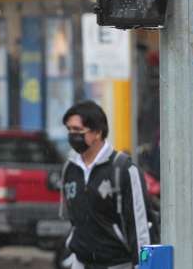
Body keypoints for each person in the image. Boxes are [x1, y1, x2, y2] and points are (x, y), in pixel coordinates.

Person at [60, 101, 155, 269]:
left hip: (117, 264)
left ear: (97, 132)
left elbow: (140, 227)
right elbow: (73, 219)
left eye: (78, 130)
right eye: (69, 130)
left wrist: (145, 265)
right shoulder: (70, 168)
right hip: (82, 263)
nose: (72, 136)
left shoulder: (123, 169)